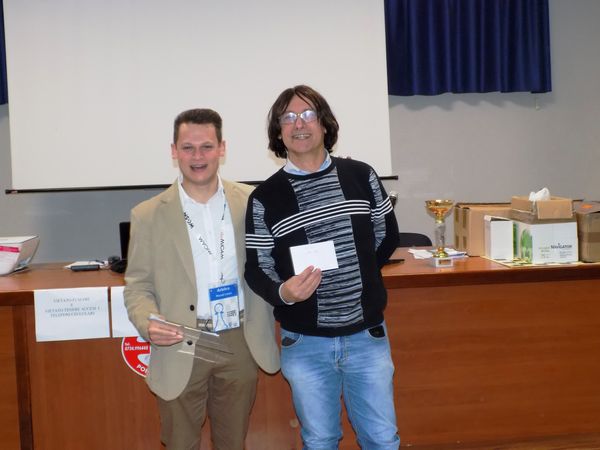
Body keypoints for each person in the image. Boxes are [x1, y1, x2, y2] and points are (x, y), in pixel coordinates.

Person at [245, 85, 401, 449]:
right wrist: (284, 292)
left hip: (366, 336)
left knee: (382, 438)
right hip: (305, 342)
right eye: (288, 117)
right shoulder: (264, 197)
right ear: (278, 132)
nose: (299, 124)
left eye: (308, 114)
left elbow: (386, 235)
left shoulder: (361, 175)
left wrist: (361, 273)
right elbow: (257, 267)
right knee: (320, 441)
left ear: (325, 124)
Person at [124, 108, 279, 450]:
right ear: (174, 151)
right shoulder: (147, 215)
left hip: (239, 337)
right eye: (188, 148)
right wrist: (148, 322)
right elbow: (138, 286)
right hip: (180, 340)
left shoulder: (252, 202)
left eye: (207, 147)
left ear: (222, 148)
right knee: (180, 443)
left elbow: (271, 264)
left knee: (232, 443)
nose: (198, 157)